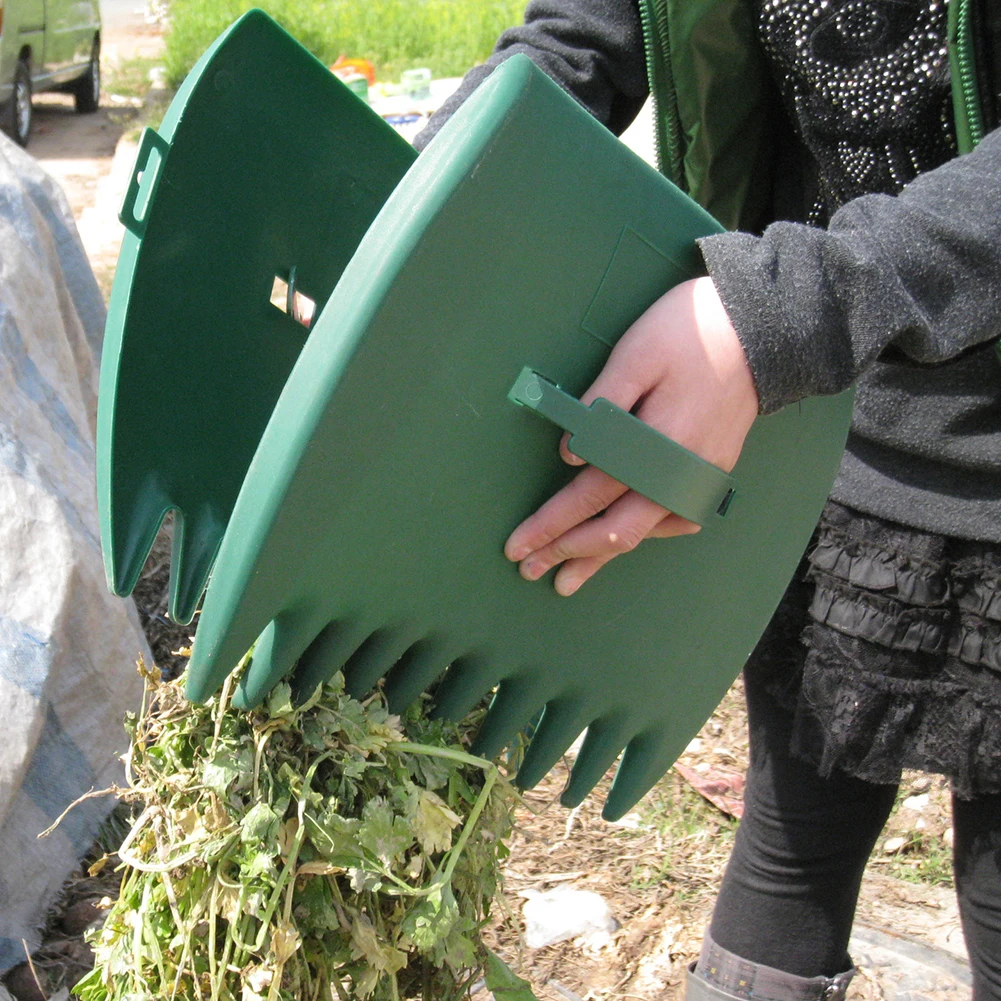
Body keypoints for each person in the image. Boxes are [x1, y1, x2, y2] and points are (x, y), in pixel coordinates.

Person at [414, 0, 1001, 998]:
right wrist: (411, 219)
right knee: (790, 833)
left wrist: (779, 310)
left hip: (829, 343)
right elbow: (573, 49)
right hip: (822, 408)